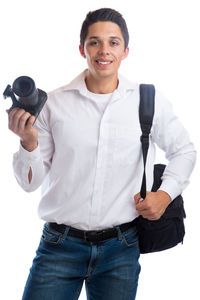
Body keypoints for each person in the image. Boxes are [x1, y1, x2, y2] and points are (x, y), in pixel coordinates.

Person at [8, 8, 196, 300]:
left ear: (125, 51)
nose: (104, 50)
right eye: (94, 42)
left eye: (113, 42)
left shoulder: (147, 101)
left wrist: (165, 194)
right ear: (82, 49)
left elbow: (184, 150)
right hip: (59, 245)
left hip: (121, 247)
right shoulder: (54, 104)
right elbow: (29, 183)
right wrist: (28, 143)